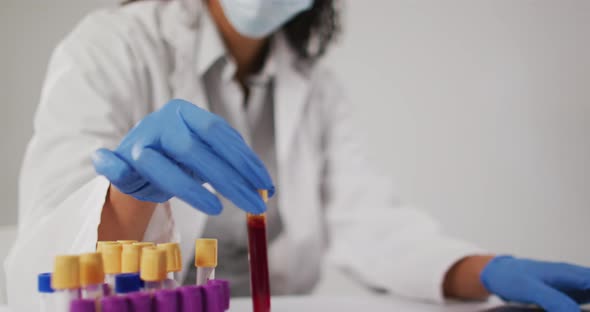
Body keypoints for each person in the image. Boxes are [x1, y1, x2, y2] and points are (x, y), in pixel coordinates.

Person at [5, 0, 590, 311]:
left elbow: (370, 222)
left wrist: (482, 271)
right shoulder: (111, 48)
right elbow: (43, 259)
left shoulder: (314, 86)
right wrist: (126, 197)